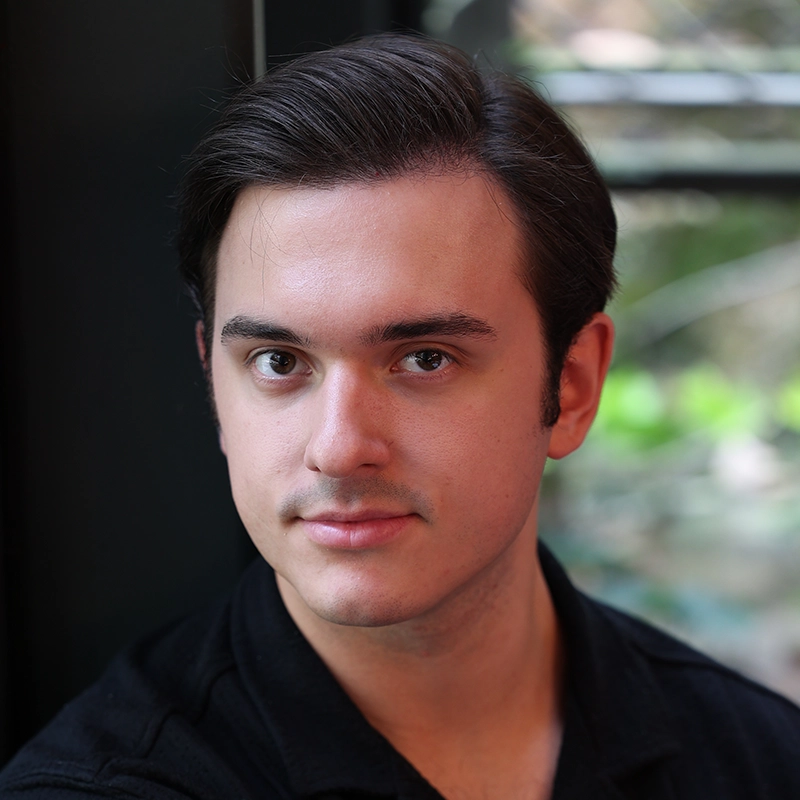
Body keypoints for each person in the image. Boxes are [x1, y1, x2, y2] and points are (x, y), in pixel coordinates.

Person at [2, 32, 799, 800]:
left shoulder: (763, 762)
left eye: (425, 358)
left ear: (575, 385)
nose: (340, 448)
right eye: (280, 362)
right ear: (214, 377)